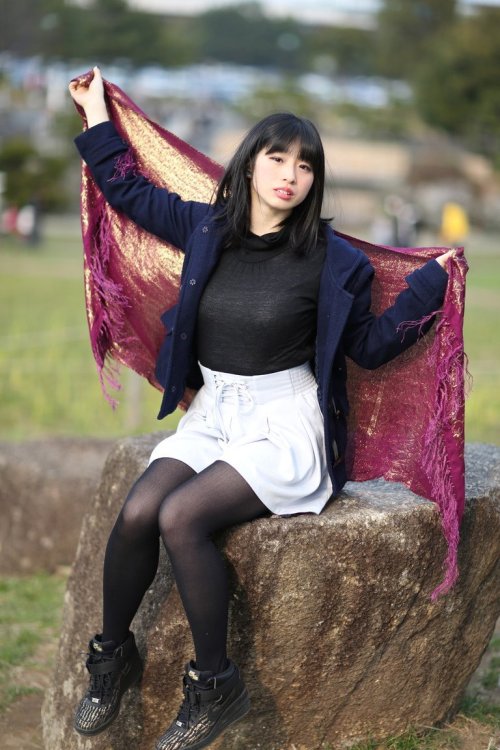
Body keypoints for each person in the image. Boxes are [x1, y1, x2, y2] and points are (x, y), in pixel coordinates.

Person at [68, 67, 454, 750]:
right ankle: (112, 653)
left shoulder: (334, 262)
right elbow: (126, 192)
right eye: (277, 157)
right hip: (214, 414)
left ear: (314, 181)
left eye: (305, 165)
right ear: (250, 164)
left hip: (283, 426)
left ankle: (214, 684)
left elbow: (368, 347)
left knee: (180, 516)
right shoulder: (206, 229)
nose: (290, 173)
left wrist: (430, 287)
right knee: (136, 514)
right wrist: (96, 110)